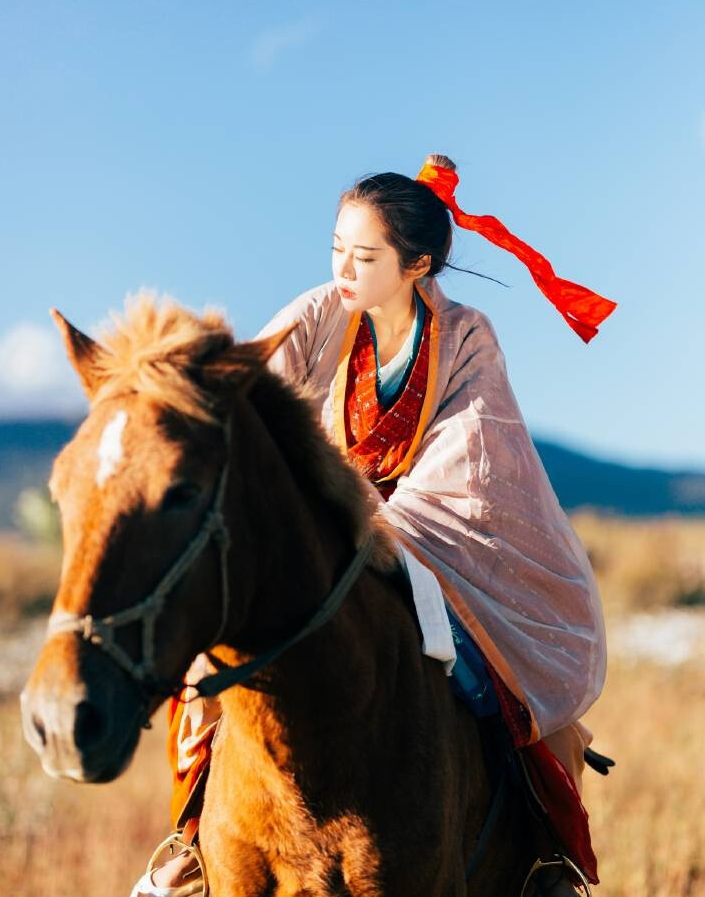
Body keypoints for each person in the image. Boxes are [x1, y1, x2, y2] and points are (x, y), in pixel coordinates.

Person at [131, 153, 616, 897]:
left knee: (490, 681)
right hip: (324, 534)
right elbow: (253, 400)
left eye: (365, 256)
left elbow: (474, 456)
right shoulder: (318, 315)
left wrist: (378, 523)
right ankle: (194, 843)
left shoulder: (466, 337)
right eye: (336, 249)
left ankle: (541, 857)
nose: (344, 269)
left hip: (438, 541)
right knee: (209, 671)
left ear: (417, 263)